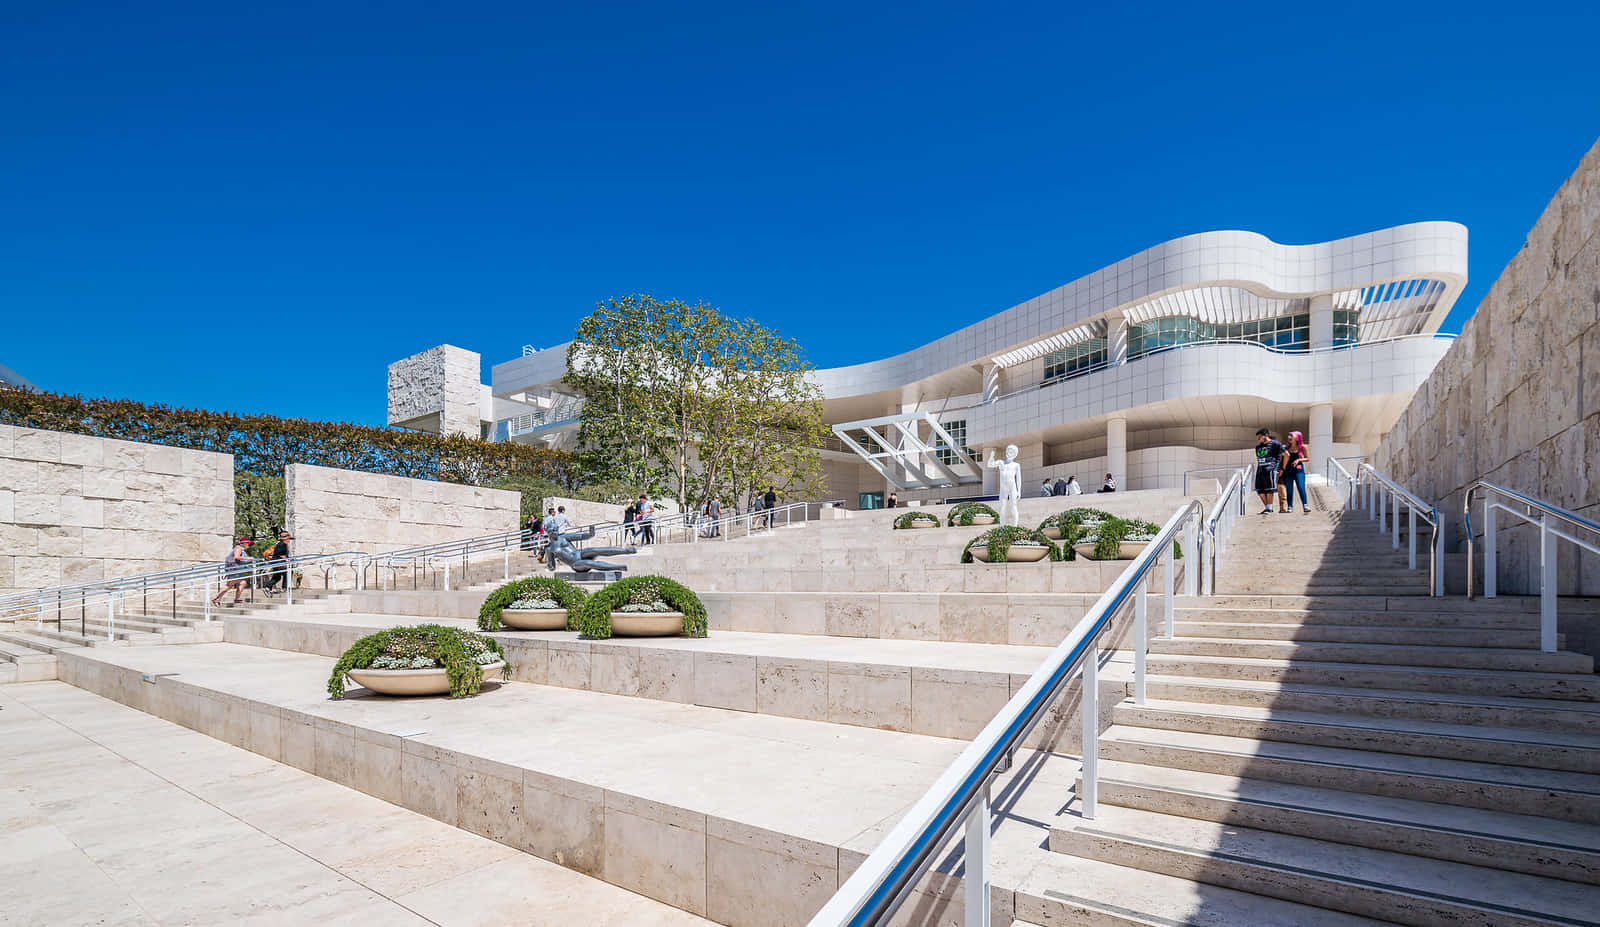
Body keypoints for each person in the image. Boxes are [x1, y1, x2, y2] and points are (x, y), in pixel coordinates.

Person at [1254, 428, 1288, 514]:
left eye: (1260, 437)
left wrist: (1282, 468)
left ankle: (1269, 508)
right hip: (1260, 469)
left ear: (1266, 435)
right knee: (1259, 490)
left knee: (1269, 489)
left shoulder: (1275, 444)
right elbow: (1258, 457)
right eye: (1257, 438)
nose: (1258, 439)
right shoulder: (1258, 447)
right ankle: (1267, 507)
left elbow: (1286, 454)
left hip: (1271, 469)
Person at [212, 537, 254, 607]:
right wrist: (249, 558)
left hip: (236, 569)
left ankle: (237, 599)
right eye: (248, 544)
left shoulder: (239, 548)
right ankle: (216, 599)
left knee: (243, 583)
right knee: (229, 585)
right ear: (244, 543)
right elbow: (236, 557)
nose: (248, 545)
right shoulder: (239, 548)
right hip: (234, 569)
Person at [1281, 430, 1311, 513]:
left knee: (1301, 487)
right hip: (1288, 471)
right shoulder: (1286, 448)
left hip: (1299, 470)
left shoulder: (1302, 447)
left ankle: (1305, 505)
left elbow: (1307, 458)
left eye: (1291, 436)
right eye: (1289, 436)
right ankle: (1290, 506)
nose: (1289, 438)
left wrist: (1298, 460)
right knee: (1289, 489)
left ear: (1297, 438)